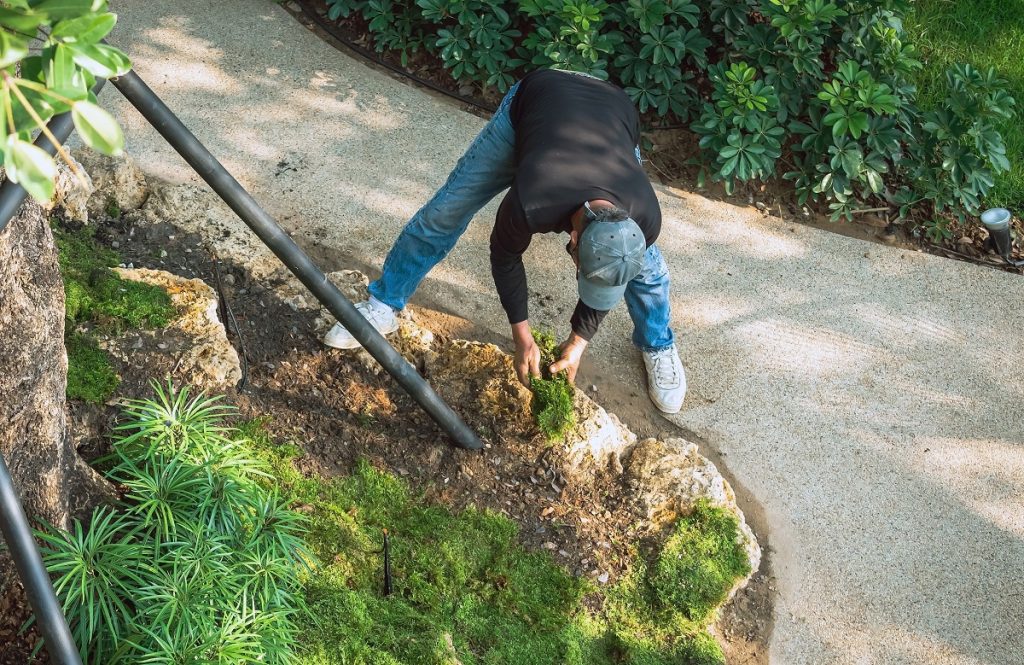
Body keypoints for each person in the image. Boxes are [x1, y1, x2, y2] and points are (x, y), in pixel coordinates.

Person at [324, 69, 686, 414]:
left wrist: (578, 344)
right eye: (581, 266)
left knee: (646, 268)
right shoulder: (535, 199)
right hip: (538, 99)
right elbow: (505, 256)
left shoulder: (645, 217)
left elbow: (614, 269)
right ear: (573, 237)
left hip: (612, 112)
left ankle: (658, 342)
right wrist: (521, 334)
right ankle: (384, 302)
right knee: (445, 211)